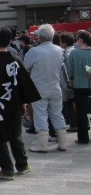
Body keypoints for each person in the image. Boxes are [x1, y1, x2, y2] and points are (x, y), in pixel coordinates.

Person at [0, 27, 40, 181]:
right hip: (14, 103)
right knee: (15, 134)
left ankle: (6, 169)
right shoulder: (16, 60)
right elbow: (23, 85)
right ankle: (22, 164)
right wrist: (24, 103)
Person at [24, 24, 68, 152]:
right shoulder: (59, 50)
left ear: (40, 37)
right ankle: (62, 143)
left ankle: (42, 145)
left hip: (39, 86)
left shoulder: (35, 51)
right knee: (57, 114)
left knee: (40, 114)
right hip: (55, 85)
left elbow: (26, 65)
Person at [65, 30, 91, 145]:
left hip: (79, 85)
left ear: (81, 39)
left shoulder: (74, 53)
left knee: (81, 112)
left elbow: (69, 71)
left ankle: (83, 138)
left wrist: (71, 79)